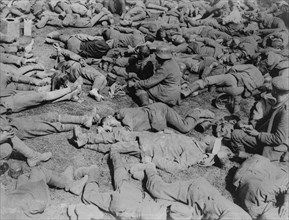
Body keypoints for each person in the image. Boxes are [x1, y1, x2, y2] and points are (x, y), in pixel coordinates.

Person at [129, 161, 252, 220]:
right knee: (157, 190)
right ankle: (149, 168)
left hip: (198, 211)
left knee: (162, 205)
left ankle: (146, 178)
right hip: (198, 193)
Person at [230, 76, 289, 161]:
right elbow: (269, 121)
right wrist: (253, 126)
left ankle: (245, 158)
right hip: (269, 138)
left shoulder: (286, 112)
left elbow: (278, 139)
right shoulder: (282, 103)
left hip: (274, 148)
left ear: (275, 91)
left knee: (236, 134)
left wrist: (258, 134)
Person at [0, 166, 89, 219]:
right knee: (38, 170)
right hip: (32, 202)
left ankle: (62, 179)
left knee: (22, 178)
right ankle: (70, 184)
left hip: (17, 207)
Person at [183, 64, 265, 114]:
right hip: (239, 89)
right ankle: (234, 112)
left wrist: (227, 75)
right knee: (220, 90)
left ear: (259, 66)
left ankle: (188, 91)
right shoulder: (261, 81)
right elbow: (251, 92)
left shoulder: (252, 67)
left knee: (208, 81)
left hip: (233, 78)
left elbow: (235, 67)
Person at [233, 154, 289, 219]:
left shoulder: (255, 207)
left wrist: (285, 200)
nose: (286, 215)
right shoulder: (265, 203)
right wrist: (285, 202)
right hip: (256, 163)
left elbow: (262, 188)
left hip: (252, 166)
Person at [0, 78, 82, 115]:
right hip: (8, 103)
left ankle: (70, 96)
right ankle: (70, 89)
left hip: (7, 95)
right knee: (41, 96)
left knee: (39, 100)